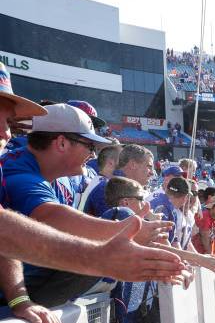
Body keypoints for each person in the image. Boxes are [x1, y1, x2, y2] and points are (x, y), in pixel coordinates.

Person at [0, 104, 173, 307]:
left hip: (25, 282)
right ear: (62, 143)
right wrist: (121, 231)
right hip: (14, 291)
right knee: (119, 218)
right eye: (90, 146)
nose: (93, 155)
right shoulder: (18, 171)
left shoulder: (55, 174)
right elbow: (51, 217)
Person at [84, 144, 155, 217]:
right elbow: (113, 226)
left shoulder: (117, 184)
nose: (152, 173)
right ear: (133, 164)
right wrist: (148, 219)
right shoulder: (109, 187)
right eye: (149, 166)